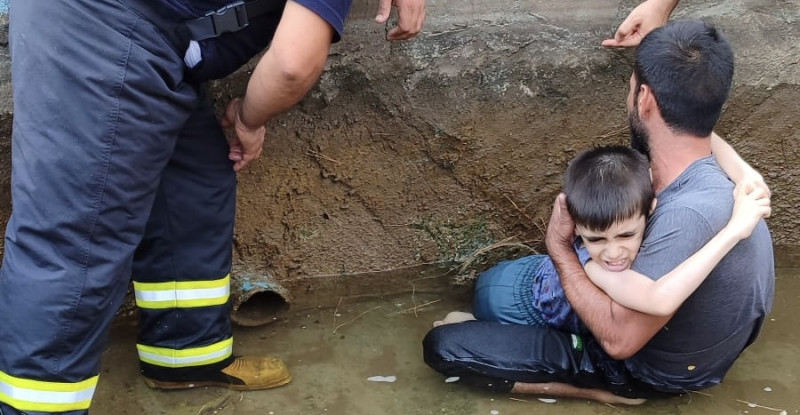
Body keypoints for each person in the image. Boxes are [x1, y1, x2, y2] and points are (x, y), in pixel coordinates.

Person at [0, 0, 424, 413]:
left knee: (192, 183)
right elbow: (294, 64)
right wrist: (250, 120)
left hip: (155, 37)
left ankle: (185, 356)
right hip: (97, 26)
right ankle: (35, 408)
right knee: (78, 237)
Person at [423, 19, 775, 404]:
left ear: (644, 100)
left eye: (631, 91)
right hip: (678, 335)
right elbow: (688, 114)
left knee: (445, 345)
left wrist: (558, 247)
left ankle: (606, 391)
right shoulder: (722, 174)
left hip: (642, 369)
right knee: (498, 290)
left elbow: (619, 341)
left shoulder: (685, 216)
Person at [434, 145, 770, 333]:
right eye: (596, 239)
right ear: (576, 229)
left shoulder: (638, 187)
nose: (613, 253)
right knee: (469, 327)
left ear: (652, 205)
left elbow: (702, 142)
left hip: (529, 271)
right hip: (512, 305)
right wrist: (734, 231)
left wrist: (746, 175)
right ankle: (463, 322)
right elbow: (658, 301)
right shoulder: (598, 270)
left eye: (626, 235)